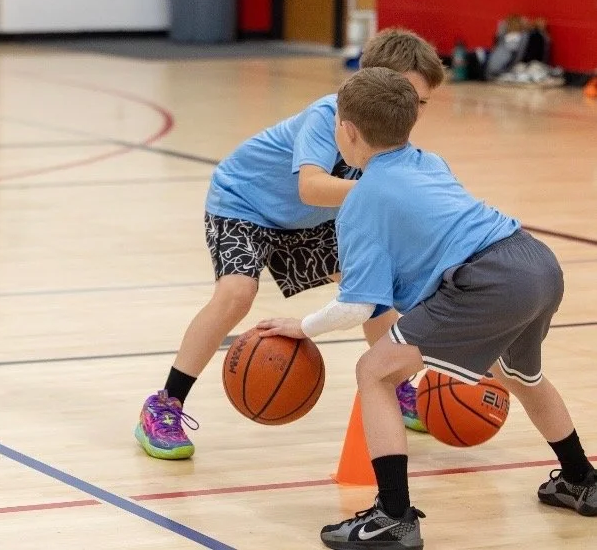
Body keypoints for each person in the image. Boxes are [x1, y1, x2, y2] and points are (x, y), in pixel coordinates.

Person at [257, 67, 596, 549]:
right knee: (521, 376)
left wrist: (303, 326)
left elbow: (357, 307)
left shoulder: (363, 200)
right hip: (535, 261)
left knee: (375, 371)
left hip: (488, 280)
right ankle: (582, 479)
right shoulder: (428, 161)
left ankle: (393, 516)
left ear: (347, 133)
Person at [135, 29, 446, 460]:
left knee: (371, 289)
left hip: (307, 221)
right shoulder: (327, 117)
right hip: (244, 204)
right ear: (374, 82)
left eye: (421, 102)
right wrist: (385, 193)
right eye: (406, 96)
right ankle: (164, 404)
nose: (412, 110)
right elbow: (312, 187)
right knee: (237, 293)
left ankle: (395, 384)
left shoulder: (393, 138)